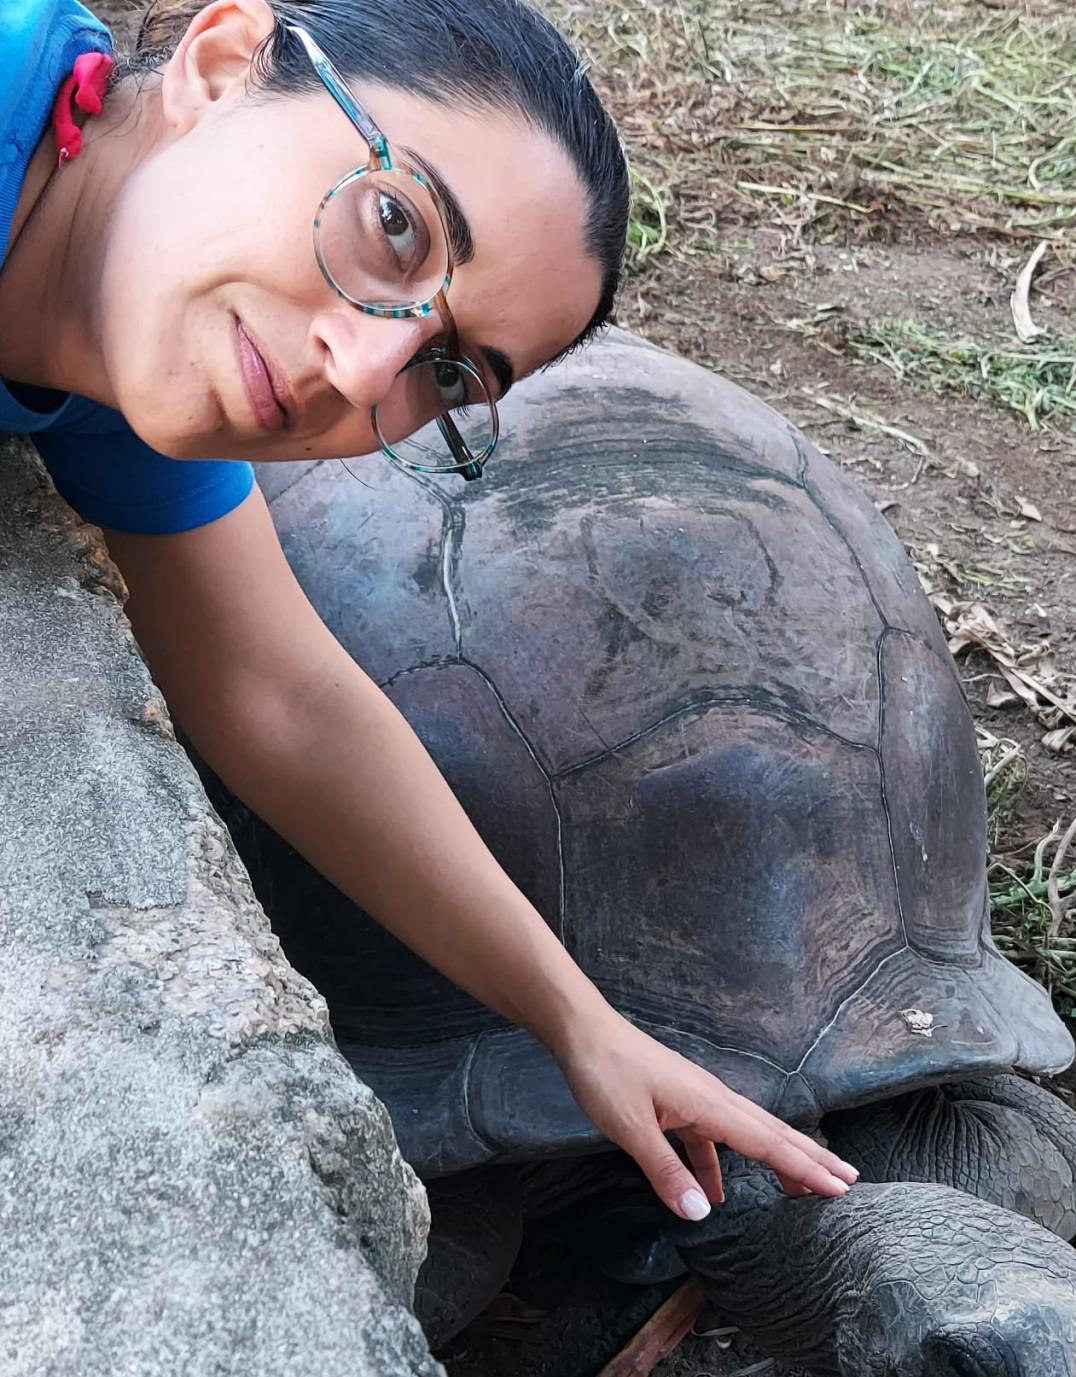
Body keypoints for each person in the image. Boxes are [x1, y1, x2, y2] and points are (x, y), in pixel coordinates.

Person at [0, 0, 858, 1224]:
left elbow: (283, 698)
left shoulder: (106, 332)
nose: (355, 370)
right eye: (392, 226)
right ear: (225, 63)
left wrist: (578, 1023)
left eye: (444, 373)